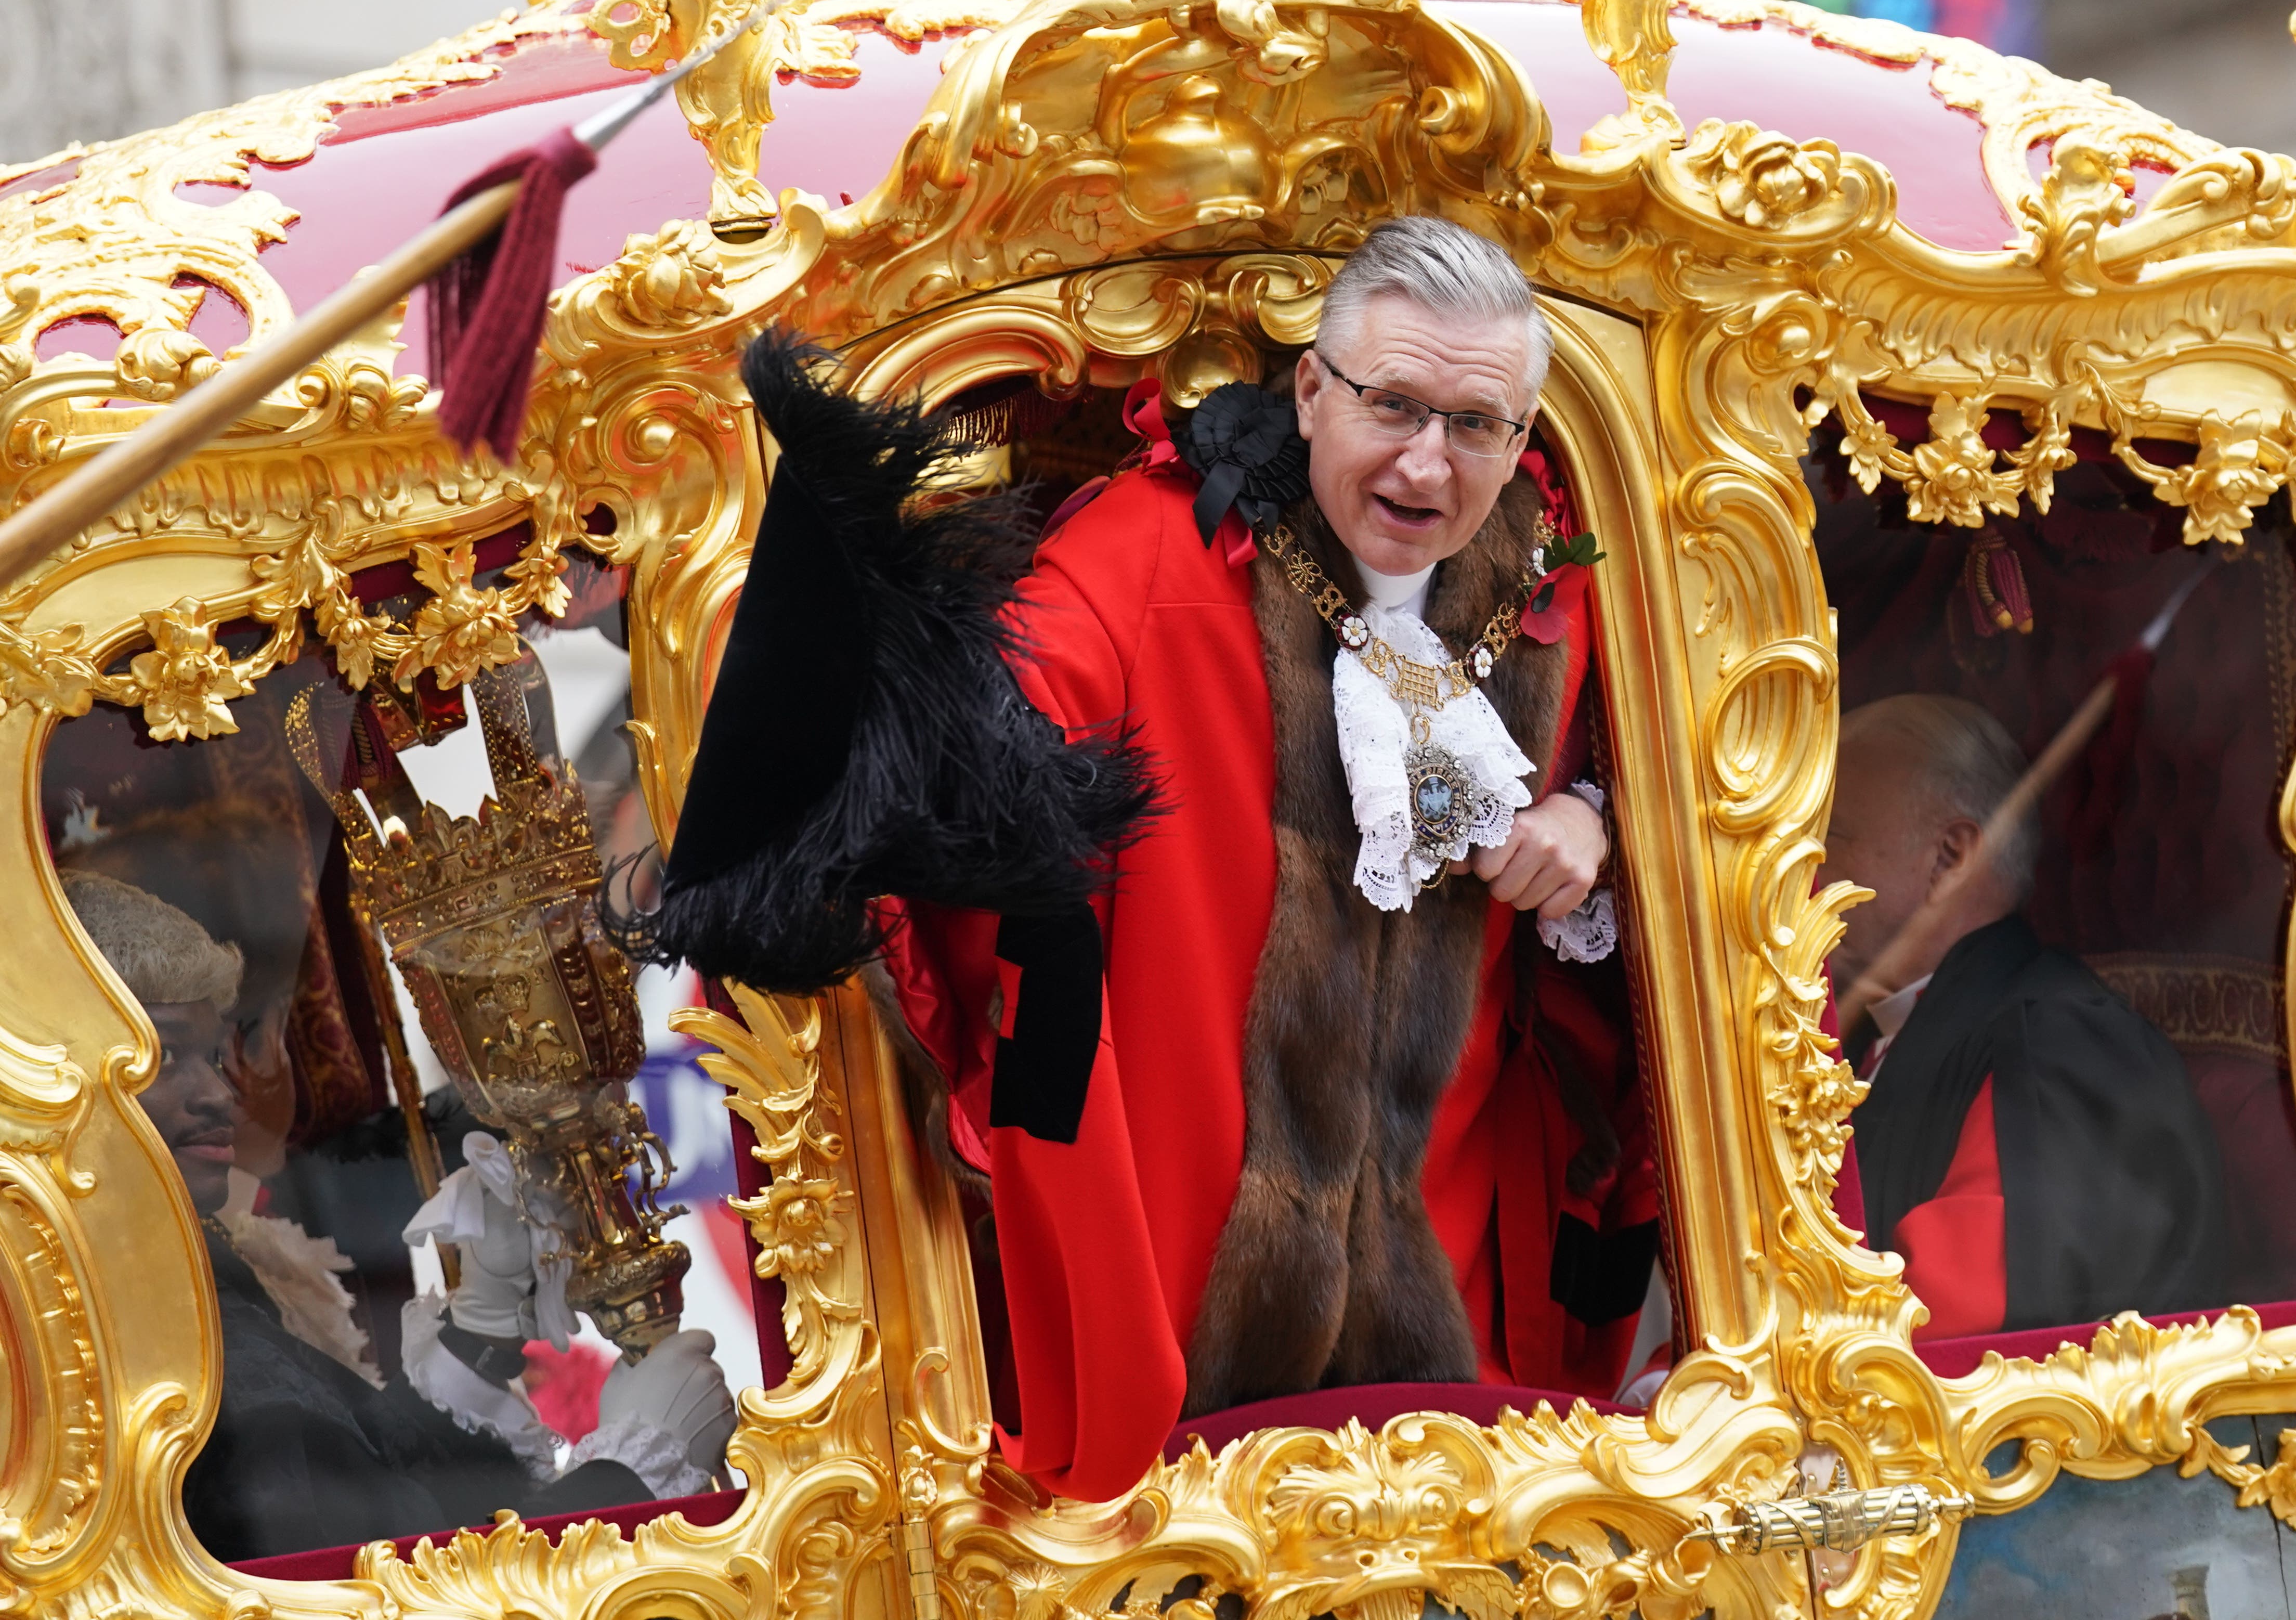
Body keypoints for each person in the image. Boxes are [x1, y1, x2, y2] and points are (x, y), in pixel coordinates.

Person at [644, 217, 1657, 1501]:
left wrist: (1591, 822)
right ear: (1309, 390)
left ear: (1523, 440)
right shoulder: (1142, 562)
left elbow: (1675, 801)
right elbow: (970, 780)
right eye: (1392, 403)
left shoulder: (1551, 591)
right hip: (1189, 1277)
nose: (1427, 461)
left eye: (1476, 424)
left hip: (1453, 1281)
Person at [70, 870, 736, 1563]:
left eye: (213, 1056)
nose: (219, 1092)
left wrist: (480, 1331)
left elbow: (373, 1486)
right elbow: (372, 1579)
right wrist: (631, 1475)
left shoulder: (189, 1268)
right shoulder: (126, 1314)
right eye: (166, 1053)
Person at [1819, 694, 2228, 1337]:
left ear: (1950, 858)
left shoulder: (2054, 1038)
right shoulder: (1881, 1031)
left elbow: (1949, 1312)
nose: (1804, 869)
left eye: (1829, 835)